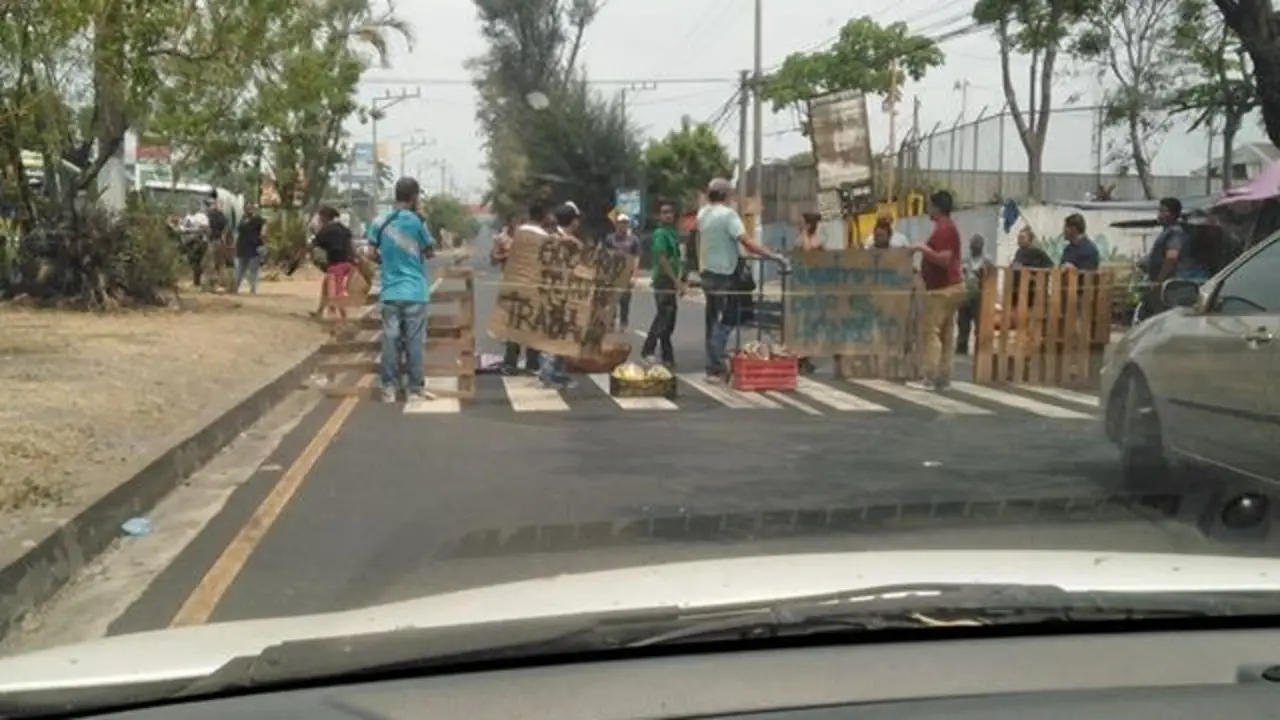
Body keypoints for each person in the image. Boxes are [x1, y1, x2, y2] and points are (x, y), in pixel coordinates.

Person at [697, 177, 788, 383]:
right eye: (730, 194)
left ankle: (712, 367)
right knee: (726, 321)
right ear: (725, 195)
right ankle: (717, 365)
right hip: (727, 275)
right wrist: (773, 256)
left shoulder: (702, 214)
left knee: (712, 321)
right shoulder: (728, 216)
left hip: (708, 273)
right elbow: (747, 242)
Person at [366, 177, 435, 403]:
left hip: (390, 291)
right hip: (415, 291)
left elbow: (370, 254)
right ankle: (415, 389)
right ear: (414, 196)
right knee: (414, 341)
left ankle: (388, 388)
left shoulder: (380, 221)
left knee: (390, 340)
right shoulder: (417, 222)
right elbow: (430, 251)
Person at [909, 190, 964, 391]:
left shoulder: (944, 229)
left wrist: (921, 249)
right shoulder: (947, 228)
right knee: (946, 334)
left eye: (930, 205)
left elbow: (944, 259)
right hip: (951, 286)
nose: (927, 209)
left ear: (937, 207)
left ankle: (930, 376)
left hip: (943, 288)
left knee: (930, 331)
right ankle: (943, 377)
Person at [498, 203, 549, 375]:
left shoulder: (517, 233)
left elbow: (504, 254)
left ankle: (510, 362)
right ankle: (532, 363)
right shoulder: (544, 236)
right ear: (543, 217)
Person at [536, 202, 580, 389]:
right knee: (552, 334)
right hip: (554, 294)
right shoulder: (556, 239)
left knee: (562, 335)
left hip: (565, 294)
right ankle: (548, 373)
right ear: (573, 221)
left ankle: (558, 373)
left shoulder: (565, 239)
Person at [641, 201, 684, 368]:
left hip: (671, 279)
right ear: (659, 215)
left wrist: (680, 279)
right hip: (663, 279)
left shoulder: (672, 233)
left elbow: (678, 258)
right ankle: (648, 350)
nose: (667, 215)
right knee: (664, 316)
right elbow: (662, 258)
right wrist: (675, 281)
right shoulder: (660, 234)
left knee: (668, 319)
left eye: (670, 212)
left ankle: (668, 356)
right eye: (664, 212)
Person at [311, 206, 359, 318]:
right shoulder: (344, 228)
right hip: (347, 263)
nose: (319, 219)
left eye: (320, 217)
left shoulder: (326, 230)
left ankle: (343, 317)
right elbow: (352, 246)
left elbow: (312, 245)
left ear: (324, 217)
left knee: (336, 292)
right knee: (326, 285)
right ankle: (320, 311)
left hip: (336, 264)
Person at [956, 234, 992, 355]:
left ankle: (979, 351)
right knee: (963, 323)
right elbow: (959, 274)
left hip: (979, 295)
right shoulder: (965, 259)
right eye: (973, 245)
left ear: (981, 246)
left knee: (979, 324)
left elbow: (991, 277)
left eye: (977, 245)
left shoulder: (987, 260)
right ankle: (961, 348)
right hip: (966, 293)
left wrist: (983, 275)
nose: (975, 247)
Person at [605, 213, 641, 331]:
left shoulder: (633, 240)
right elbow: (605, 255)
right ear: (616, 225)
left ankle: (623, 321)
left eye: (625, 223)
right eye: (621, 223)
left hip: (626, 274)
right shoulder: (610, 239)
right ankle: (611, 321)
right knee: (611, 299)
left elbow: (636, 257)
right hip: (613, 274)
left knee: (624, 300)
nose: (623, 226)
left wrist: (634, 275)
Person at [232, 203, 266, 295]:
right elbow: (263, 233)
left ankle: (237, 288)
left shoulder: (243, 220)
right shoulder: (258, 220)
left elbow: (237, 234)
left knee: (241, 269)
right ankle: (251, 289)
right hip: (251, 247)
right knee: (251, 270)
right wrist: (263, 244)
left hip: (245, 247)